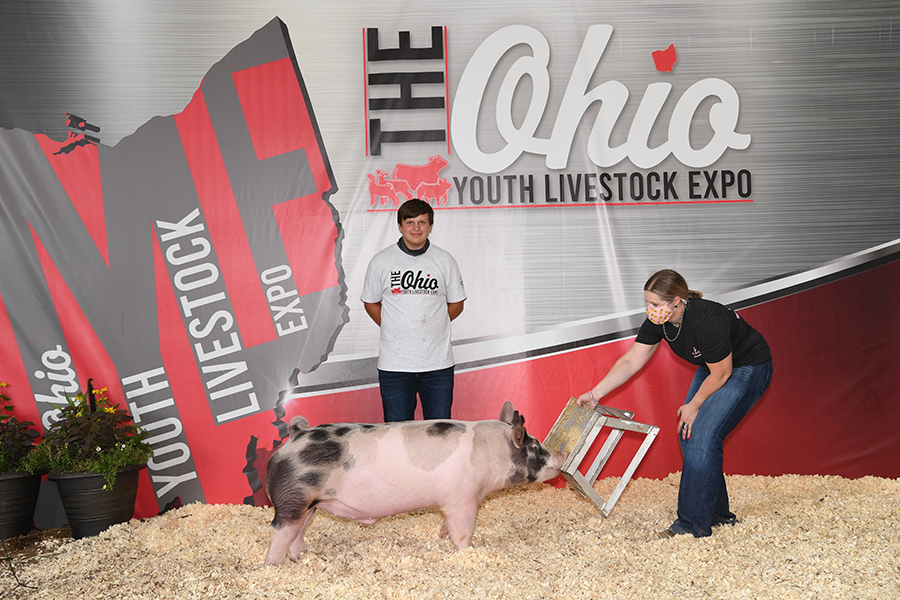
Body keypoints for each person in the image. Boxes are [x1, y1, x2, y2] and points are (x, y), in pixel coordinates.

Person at [576, 269, 772, 538]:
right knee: (689, 434)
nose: (650, 309)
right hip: (714, 366)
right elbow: (631, 361)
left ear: (676, 301)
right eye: (647, 302)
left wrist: (695, 404)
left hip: (746, 367)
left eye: (655, 304)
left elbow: (722, 373)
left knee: (702, 436)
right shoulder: (660, 320)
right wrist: (595, 394)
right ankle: (717, 515)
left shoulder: (707, 321)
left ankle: (690, 525)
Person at [362, 199, 466, 422]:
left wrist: (436, 322)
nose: (416, 228)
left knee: (440, 431)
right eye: (410, 222)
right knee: (397, 433)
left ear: (431, 225)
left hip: (438, 365)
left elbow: (457, 303)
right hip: (395, 365)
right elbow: (370, 302)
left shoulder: (444, 260)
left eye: (422, 222)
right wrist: (393, 324)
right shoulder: (381, 261)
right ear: (400, 226)